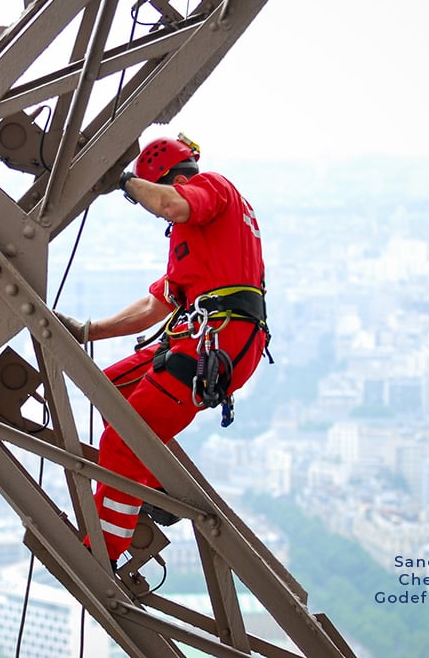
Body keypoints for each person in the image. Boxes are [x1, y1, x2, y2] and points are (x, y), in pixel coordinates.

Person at [56, 134, 270, 564]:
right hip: (206, 339)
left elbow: (171, 204)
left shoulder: (212, 188)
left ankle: (102, 552)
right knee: (110, 391)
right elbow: (156, 305)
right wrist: (88, 331)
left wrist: (124, 182)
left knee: (123, 438)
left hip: (217, 340)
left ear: (176, 180)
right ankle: (154, 484)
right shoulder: (201, 238)